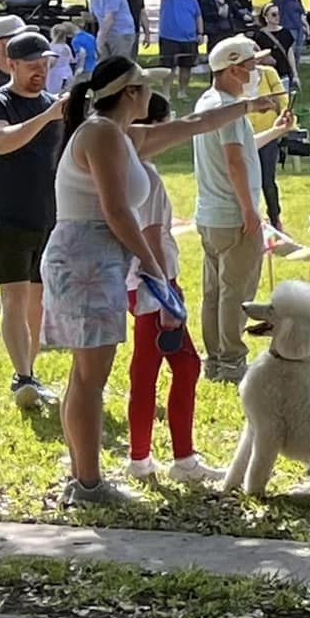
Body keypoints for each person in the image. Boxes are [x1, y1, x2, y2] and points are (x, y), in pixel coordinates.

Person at [40, 59, 189, 506]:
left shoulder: (118, 134)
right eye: (144, 86)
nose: (150, 95)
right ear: (130, 94)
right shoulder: (103, 133)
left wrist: (246, 108)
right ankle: (89, 486)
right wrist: (153, 268)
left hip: (91, 261)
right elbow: (117, 210)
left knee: (82, 376)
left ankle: (81, 477)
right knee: (90, 379)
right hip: (88, 262)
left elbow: (196, 124)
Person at [122, 90, 225, 485]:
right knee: (175, 366)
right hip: (154, 283)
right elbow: (149, 236)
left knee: (157, 368)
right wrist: (167, 297)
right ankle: (168, 459)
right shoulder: (143, 176)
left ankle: (149, 456)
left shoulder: (128, 171)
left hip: (142, 282)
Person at [193, 35, 287, 385]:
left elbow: (239, 149)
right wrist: (249, 209)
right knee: (236, 292)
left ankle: (216, 359)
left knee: (215, 292)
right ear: (233, 69)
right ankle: (232, 361)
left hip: (210, 215)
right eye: (251, 66)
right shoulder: (229, 109)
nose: (257, 72)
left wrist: (276, 132)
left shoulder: (209, 102)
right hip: (233, 216)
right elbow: (234, 162)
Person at [0, 31, 67, 409]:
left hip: (49, 217)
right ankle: (22, 376)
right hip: (7, 214)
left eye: (45, 63)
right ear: (11, 65)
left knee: (37, 300)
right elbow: (1, 142)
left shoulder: (54, 105)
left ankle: (30, 372)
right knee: (14, 298)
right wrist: (47, 115)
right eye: (33, 65)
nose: (41, 70)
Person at [156, 0, 203, 103]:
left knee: (186, 67)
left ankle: (182, 92)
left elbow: (198, 17)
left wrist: (200, 33)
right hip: (169, 38)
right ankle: (166, 94)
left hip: (189, 39)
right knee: (168, 68)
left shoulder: (192, 0)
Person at [79, 0, 135, 64]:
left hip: (121, 34)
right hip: (106, 33)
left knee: (119, 65)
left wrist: (100, 38)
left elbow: (110, 18)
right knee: (104, 65)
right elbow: (96, 18)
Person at [270, 0, 309, 75]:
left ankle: (294, 76)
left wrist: (306, 26)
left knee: (298, 53)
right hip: (288, 27)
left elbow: (300, 12)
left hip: (298, 28)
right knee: (289, 53)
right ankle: (289, 76)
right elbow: (273, 8)